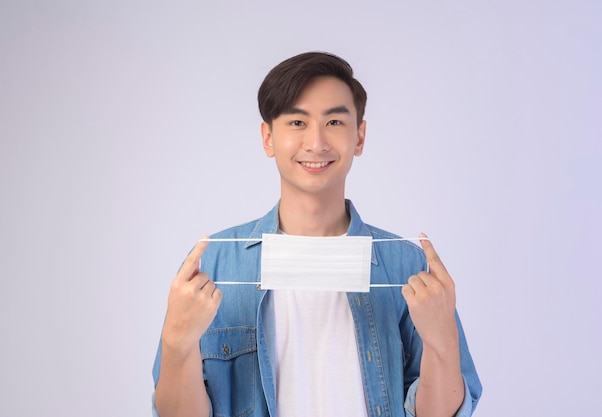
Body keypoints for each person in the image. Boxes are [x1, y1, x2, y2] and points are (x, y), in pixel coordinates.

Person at [151, 52, 482, 417]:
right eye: (296, 122)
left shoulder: (407, 266)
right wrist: (176, 343)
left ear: (359, 136)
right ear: (268, 138)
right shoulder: (213, 264)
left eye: (335, 121)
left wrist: (442, 344)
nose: (316, 142)